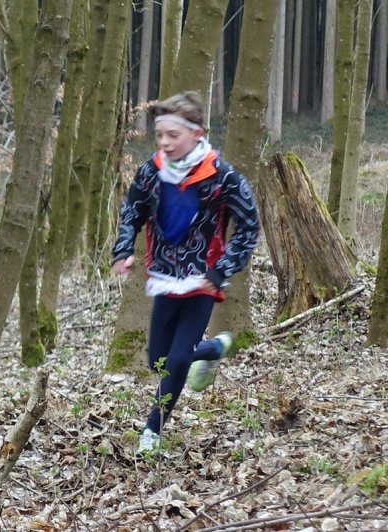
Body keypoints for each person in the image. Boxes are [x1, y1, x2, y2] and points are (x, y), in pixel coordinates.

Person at [110, 91, 259, 453]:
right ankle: (212, 348)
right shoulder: (151, 171)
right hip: (163, 278)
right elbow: (132, 211)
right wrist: (123, 250)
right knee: (158, 358)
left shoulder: (223, 177)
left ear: (196, 133)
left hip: (203, 281)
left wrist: (222, 268)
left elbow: (250, 227)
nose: (164, 142)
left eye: (172, 135)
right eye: (160, 135)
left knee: (177, 360)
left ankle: (152, 432)